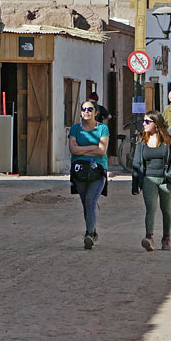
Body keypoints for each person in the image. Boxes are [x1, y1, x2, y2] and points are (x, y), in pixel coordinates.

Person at [131, 111, 171, 251]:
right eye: (144, 121)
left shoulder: (169, 140)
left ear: (156, 123)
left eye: (147, 121)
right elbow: (136, 164)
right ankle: (149, 237)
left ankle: (166, 237)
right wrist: (135, 185)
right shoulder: (142, 142)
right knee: (151, 209)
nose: (144, 124)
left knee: (166, 210)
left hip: (166, 179)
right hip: (149, 179)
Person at [68, 100, 109, 250]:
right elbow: (73, 150)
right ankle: (92, 232)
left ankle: (89, 234)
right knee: (86, 202)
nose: (86, 111)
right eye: (84, 109)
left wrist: (82, 149)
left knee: (91, 201)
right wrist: (93, 147)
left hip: (97, 171)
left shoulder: (102, 129)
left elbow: (102, 151)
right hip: (79, 171)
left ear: (96, 113)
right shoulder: (75, 129)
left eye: (90, 109)